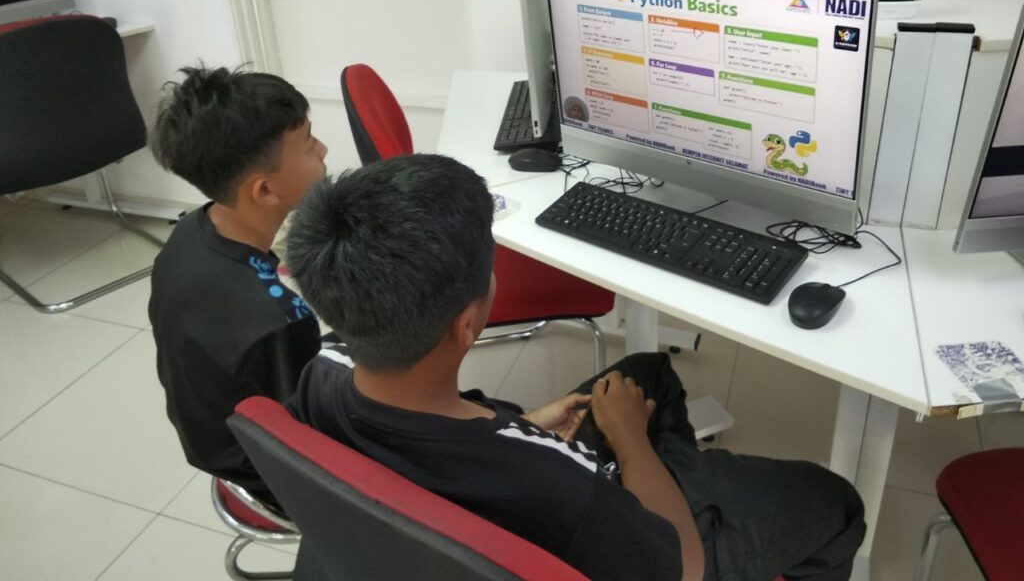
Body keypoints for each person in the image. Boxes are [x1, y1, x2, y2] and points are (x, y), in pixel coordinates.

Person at [284, 153, 866, 581]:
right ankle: (685, 491)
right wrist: (629, 440)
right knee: (836, 502)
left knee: (647, 373)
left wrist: (523, 426)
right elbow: (680, 569)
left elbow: (440, 452)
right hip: (642, 548)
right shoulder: (557, 483)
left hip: (482, 485)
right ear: (468, 324)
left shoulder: (320, 374)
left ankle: (685, 477)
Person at [148, 66, 328, 507]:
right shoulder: (280, 322)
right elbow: (312, 434)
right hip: (272, 475)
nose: (323, 149)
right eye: (309, 144)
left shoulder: (189, 231)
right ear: (264, 191)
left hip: (213, 438)